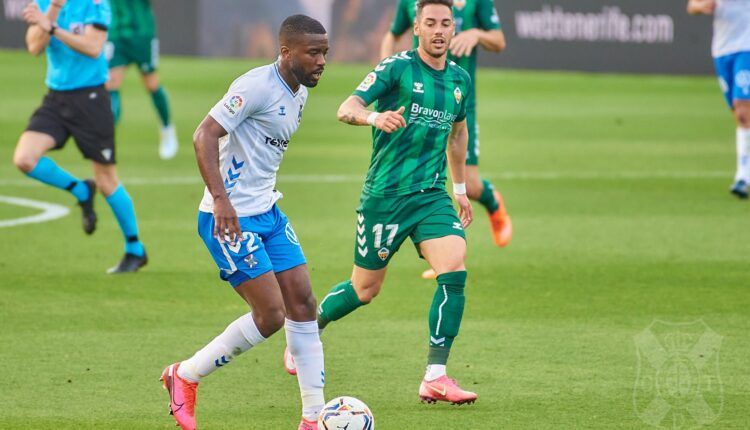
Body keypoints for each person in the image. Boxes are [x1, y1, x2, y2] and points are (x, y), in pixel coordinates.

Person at [288, 0, 479, 405]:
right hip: (385, 198)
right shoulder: (396, 68)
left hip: (430, 195)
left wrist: (459, 190)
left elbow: (458, 135)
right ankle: (307, 330)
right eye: (431, 23)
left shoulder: (460, 79)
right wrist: (374, 118)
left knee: (455, 267)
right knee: (364, 289)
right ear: (417, 27)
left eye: (446, 23)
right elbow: (346, 108)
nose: (440, 30)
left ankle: (436, 375)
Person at [159, 15, 329, 430]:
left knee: (305, 304)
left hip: (267, 212)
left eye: (324, 52)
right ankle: (184, 375)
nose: (322, 61)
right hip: (229, 220)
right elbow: (204, 135)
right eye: (313, 53)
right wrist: (221, 200)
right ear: (286, 52)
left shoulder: (299, 92)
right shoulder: (255, 86)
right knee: (271, 315)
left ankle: (313, 418)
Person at [14, 0, 148, 274]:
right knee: (25, 159)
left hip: (91, 100)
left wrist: (51, 27)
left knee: (107, 181)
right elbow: (33, 47)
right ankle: (80, 190)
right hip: (55, 99)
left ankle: (135, 249)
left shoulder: (96, 3)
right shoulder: (45, 2)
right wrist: (51, 10)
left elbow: (93, 47)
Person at [382, 0, 511, 279]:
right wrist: (385, 71)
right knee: (423, 174)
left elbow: (499, 40)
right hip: (418, 102)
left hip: (458, 107)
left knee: (471, 185)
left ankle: (493, 203)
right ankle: (442, 255)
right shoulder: (412, 4)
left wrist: (476, 34)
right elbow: (392, 34)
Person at [688, 0, 750, 199]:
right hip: (722, 51)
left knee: (743, 111)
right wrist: (701, 6)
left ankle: (743, 176)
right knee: (738, 113)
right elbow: (692, 6)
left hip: (746, 48)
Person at [105, 0, 178, 159]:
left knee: (151, 84)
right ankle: (107, 140)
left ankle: (167, 129)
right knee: (111, 84)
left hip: (142, 33)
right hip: (116, 32)